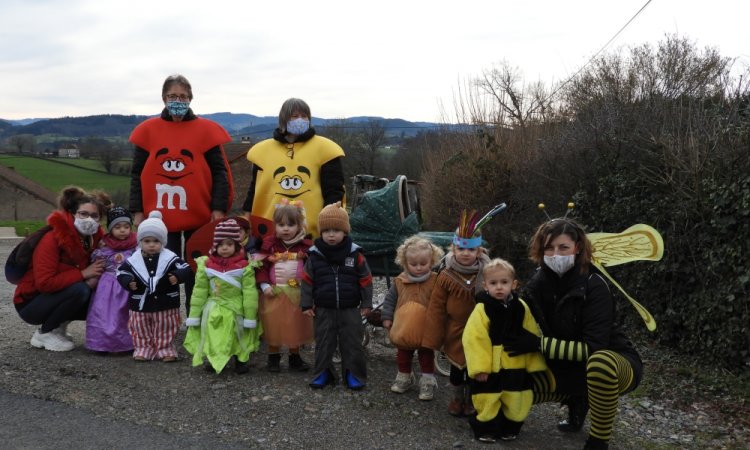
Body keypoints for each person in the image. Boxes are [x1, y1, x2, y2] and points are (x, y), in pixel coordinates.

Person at [520, 218, 644, 450]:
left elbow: (593, 348)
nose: (556, 254)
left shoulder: (595, 284)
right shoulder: (536, 284)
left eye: (563, 247)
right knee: (515, 380)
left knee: (600, 363)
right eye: (549, 248)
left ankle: (598, 440)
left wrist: (539, 345)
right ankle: (577, 398)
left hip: (615, 363)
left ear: (577, 247)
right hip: (566, 364)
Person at [129, 74, 233, 312]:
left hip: (200, 212)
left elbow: (220, 173)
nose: (178, 100)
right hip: (160, 217)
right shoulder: (148, 131)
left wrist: (218, 208)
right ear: (164, 98)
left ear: (190, 99)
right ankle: (168, 314)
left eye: (183, 96)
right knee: (165, 265)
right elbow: (137, 174)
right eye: (173, 96)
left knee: (198, 266)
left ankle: (196, 316)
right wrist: (137, 210)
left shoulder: (207, 131)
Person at [462, 258, 547, 443]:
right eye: (493, 283)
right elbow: (474, 339)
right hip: (491, 365)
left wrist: (534, 363)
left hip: (516, 363)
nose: (499, 287)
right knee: (487, 397)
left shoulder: (521, 307)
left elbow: (531, 333)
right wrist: (480, 368)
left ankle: (511, 427)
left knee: (517, 397)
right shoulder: (482, 308)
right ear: (485, 286)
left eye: (504, 282)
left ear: (513, 284)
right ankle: (485, 429)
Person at [13, 186, 108, 352]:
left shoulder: (93, 240)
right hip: (31, 303)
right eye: (83, 214)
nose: (89, 220)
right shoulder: (52, 238)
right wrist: (83, 274)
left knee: (103, 294)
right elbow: (45, 283)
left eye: (94, 216)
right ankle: (44, 332)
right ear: (72, 214)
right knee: (80, 290)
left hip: (54, 296)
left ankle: (58, 326)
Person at [241, 98, 345, 239]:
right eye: (295, 116)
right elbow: (254, 189)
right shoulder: (261, 151)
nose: (300, 119)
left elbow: (334, 190)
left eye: (304, 116)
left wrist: (330, 223)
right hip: (270, 229)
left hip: (312, 231)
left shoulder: (326, 149)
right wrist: (246, 216)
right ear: (284, 119)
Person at [423, 211, 491, 417]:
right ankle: (456, 398)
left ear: (479, 251)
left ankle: (471, 399)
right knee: (456, 371)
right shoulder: (446, 274)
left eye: (471, 249)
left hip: (480, 331)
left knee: (475, 369)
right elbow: (437, 306)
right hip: (455, 330)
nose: (465, 253)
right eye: (461, 248)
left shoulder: (488, 271)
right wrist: (433, 336)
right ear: (453, 248)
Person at [301, 202, 373, 390]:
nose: (331, 235)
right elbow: (307, 281)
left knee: (352, 343)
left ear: (345, 232)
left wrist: (367, 303)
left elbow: (365, 280)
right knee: (324, 342)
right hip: (323, 308)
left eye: (336, 230)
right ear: (321, 232)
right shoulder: (314, 256)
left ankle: (353, 374)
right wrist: (306, 304)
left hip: (350, 308)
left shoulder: (355, 254)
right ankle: (323, 373)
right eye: (326, 231)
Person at [183, 219, 262, 374]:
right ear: (215, 246)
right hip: (214, 304)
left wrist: (250, 316)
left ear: (237, 246)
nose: (225, 248)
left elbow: (250, 292)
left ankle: (241, 359)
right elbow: (199, 291)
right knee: (213, 330)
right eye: (221, 244)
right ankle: (215, 357)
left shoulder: (244, 266)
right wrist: (194, 315)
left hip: (236, 305)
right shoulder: (206, 266)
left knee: (238, 332)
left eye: (229, 244)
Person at [116, 211, 191, 361]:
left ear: (162, 242)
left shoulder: (170, 258)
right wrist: (127, 281)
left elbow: (186, 268)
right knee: (140, 327)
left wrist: (177, 276)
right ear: (140, 242)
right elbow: (121, 272)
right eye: (147, 241)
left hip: (166, 302)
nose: (151, 245)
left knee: (166, 326)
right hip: (140, 303)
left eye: (156, 241)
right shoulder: (133, 260)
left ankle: (165, 349)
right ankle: (143, 348)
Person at [381, 236, 444, 401]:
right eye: (413, 264)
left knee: (426, 355)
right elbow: (389, 301)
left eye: (423, 264)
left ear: (432, 261)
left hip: (426, 328)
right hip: (404, 327)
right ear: (404, 262)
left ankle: (427, 381)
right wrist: (386, 317)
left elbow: (440, 303)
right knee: (403, 354)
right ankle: (404, 377)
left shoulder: (436, 281)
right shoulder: (400, 281)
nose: (418, 268)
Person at [255, 201, 313, 372]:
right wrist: (264, 285)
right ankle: (273, 358)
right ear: (275, 226)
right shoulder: (270, 245)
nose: (286, 229)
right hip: (275, 292)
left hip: (297, 293)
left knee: (295, 326)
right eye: (281, 225)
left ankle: (295, 357)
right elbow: (261, 268)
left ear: (299, 225)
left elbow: (312, 269)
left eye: (291, 224)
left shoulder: (306, 247)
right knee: (274, 326)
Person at [85, 206, 137, 353]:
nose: (122, 230)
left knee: (124, 315)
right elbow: (96, 262)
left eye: (126, 226)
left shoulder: (136, 246)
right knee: (103, 314)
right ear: (110, 228)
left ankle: (127, 343)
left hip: (127, 285)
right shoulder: (104, 247)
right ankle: (101, 343)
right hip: (107, 286)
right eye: (117, 227)